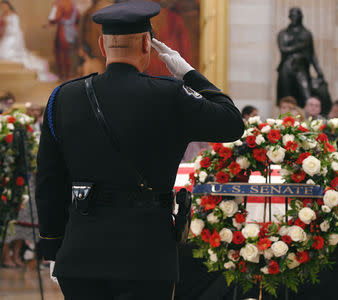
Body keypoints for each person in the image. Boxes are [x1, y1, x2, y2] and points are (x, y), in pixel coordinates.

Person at [35, 1, 244, 299]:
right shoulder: (169, 95)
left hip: (81, 254)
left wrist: (54, 244)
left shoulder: (63, 98)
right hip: (147, 256)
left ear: (101, 45)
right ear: (147, 43)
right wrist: (188, 73)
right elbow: (232, 123)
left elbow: (48, 181)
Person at [276, 7, 325, 107]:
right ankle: (285, 120)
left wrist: (319, 72)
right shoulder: (283, 33)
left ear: (300, 17)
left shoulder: (306, 34)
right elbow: (284, 49)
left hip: (301, 68)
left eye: (295, 15)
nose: (293, 18)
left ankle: (309, 119)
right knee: (286, 98)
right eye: (291, 16)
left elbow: (312, 55)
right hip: (287, 67)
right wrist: (301, 45)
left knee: (307, 95)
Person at [0, 0, 57, 82]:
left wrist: (6, 25)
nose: (4, 8)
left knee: (7, 53)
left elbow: (15, 30)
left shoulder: (14, 15)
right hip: (6, 35)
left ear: (8, 6)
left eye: (5, 6)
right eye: (2, 6)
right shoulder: (4, 15)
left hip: (12, 36)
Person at [48, 0, 79, 80]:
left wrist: (51, 22)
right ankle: (68, 75)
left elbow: (54, 18)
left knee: (59, 53)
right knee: (68, 54)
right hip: (72, 30)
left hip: (63, 31)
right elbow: (78, 16)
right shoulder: (72, 3)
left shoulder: (59, 3)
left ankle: (62, 76)